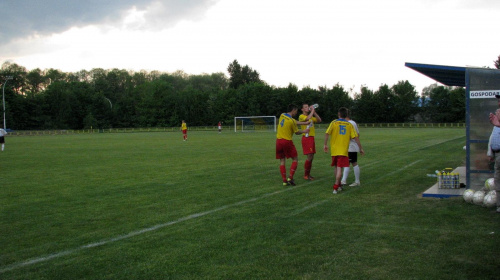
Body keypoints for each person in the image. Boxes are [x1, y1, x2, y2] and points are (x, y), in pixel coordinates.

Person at [324, 107, 364, 194]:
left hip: (334, 150)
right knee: (339, 168)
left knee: (337, 167)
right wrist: (360, 148)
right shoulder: (349, 125)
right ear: (346, 115)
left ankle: (339, 185)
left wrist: (325, 144)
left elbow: (327, 133)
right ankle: (336, 186)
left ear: (339, 114)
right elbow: (356, 137)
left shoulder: (334, 122)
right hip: (344, 150)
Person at [276, 104, 310, 186]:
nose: (296, 113)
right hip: (287, 141)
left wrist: (305, 122)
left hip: (278, 141)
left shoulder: (282, 115)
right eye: (296, 111)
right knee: (295, 159)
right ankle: (290, 178)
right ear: (293, 110)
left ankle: (284, 181)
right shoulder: (291, 121)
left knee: (282, 160)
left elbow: (295, 122)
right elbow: (297, 132)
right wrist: (304, 131)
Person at [299, 103, 321, 180]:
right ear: (302, 109)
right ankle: (306, 175)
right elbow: (307, 119)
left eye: (308, 107)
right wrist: (312, 111)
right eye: (305, 107)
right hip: (306, 137)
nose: (307, 108)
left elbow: (319, 120)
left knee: (311, 157)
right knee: (309, 156)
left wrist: (314, 112)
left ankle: (308, 174)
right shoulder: (301, 116)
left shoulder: (311, 116)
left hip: (311, 137)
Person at [341, 110, 362, 187]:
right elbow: (358, 134)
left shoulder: (349, 123)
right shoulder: (353, 122)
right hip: (351, 145)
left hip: (351, 146)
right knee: (350, 162)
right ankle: (344, 180)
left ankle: (355, 181)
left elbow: (353, 136)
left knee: (352, 163)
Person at [488, 101, 500, 213]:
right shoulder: (497, 117)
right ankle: (499, 205)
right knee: (498, 180)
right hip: (497, 154)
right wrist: (490, 153)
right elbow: (493, 137)